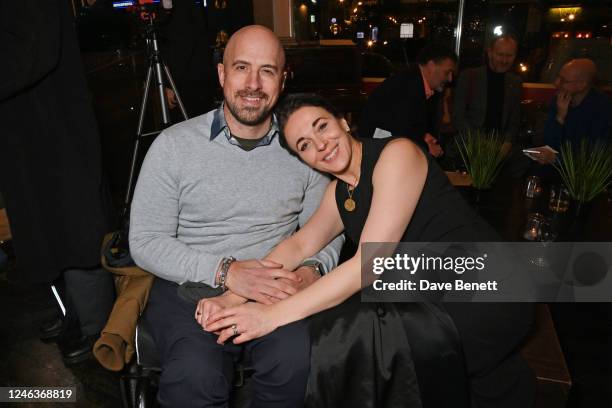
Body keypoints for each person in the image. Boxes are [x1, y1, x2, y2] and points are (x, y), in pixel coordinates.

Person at [205, 93, 536, 408]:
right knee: (339, 326)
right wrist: (235, 295)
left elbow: (369, 265)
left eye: (321, 126)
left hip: (486, 291)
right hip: (423, 294)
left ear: (343, 122)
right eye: (304, 145)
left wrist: (271, 315)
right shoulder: (340, 191)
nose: (320, 144)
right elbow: (300, 244)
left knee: (345, 335)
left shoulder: (398, 153)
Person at [129, 26, 343, 407]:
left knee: (298, 363)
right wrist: (228, 272)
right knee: (195, 376)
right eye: (241, 67)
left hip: (276, 289)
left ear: (283, 79)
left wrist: (308, 272)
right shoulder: (173, 146)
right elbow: (145, 241)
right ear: (222, 74)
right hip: (188, 290)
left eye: (267, 70)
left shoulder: (303, 147)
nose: (253, 84)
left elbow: (324, 231)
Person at [0, 0, 116, 364]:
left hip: (54, 131)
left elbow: (35, 51)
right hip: (26, 132)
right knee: (45, 232)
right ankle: (73, 315)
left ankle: (100, 330)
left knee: (75, 231)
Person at [358, 43, 457, 158]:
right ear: (431, 66)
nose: (450, 78)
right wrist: (426, 147)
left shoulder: (413, 82)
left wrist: (423, 137)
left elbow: (404, 126)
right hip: (378, 156)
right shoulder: (407, 87)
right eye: (447, 72)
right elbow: (401, 134)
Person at [534, 58, 612, 164]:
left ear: (581, 84)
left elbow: (593, 156)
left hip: (585, 174)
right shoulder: (558, 99)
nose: (556, 83)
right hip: (555, 168)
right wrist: (560, 117)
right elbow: (548, 143)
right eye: (558, 77)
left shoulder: (603, 109)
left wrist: (556, 159)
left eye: (563, 81)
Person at [453, 34, 522, 143]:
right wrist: (479, 142)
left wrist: (507, 142)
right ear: (490, 53)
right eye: (500, 55)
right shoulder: (469, 76)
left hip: (500, 145)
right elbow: (458, 115)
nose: (504, 60)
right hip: (470, 143)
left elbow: (515, 121)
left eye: (509, 56)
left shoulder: (515, 82)